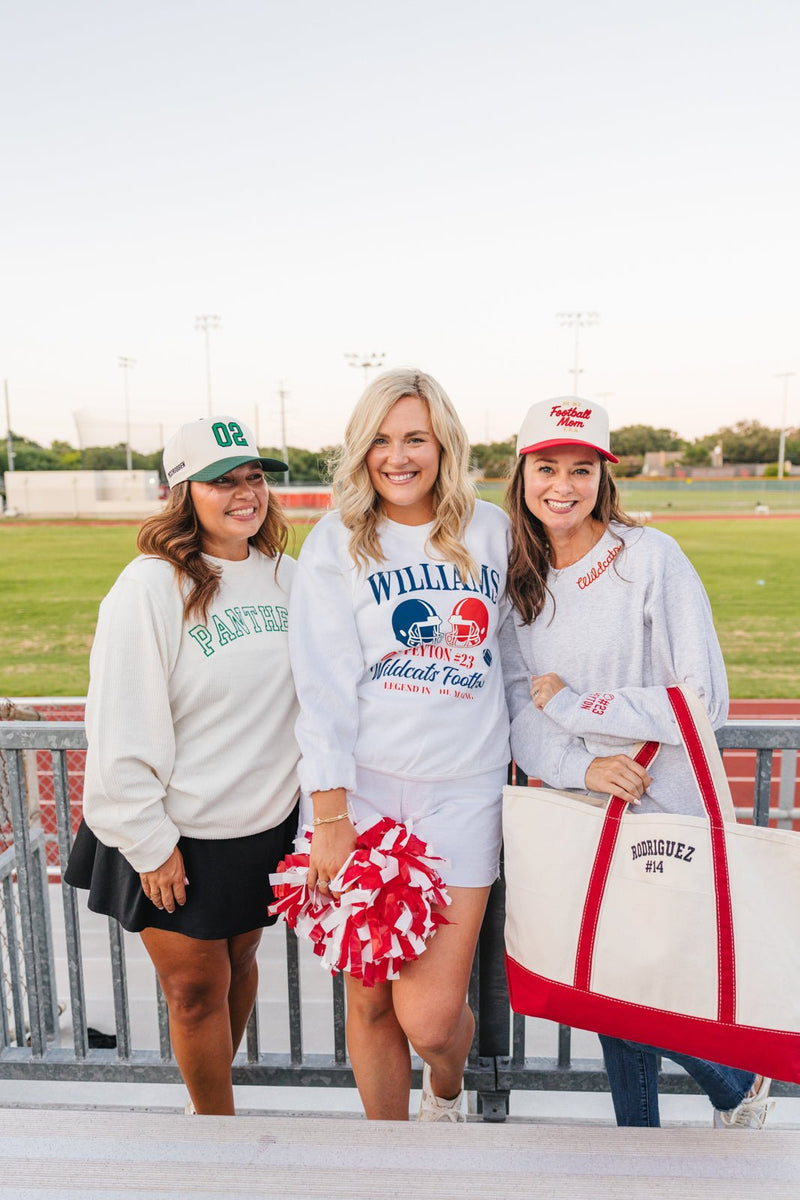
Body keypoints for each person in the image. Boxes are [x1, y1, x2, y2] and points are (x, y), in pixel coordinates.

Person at [500, 396, 773, 1129]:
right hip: (585, 805)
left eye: (581, 468)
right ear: (523, 472)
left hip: (667, 802)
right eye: (548, 467)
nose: (564, 484)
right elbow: (518, 706)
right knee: (605, 985)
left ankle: (729, 1085)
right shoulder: (516, 579)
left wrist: (585, 709)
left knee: (634, 984)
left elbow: (703, 698)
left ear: (602, 476)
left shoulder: (649, 557)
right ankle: (705, 1104)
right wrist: (579, 766)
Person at [289, 368, 510, 1121]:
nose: (398, 456)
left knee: (432, 1019)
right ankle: (389, 1163)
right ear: (361, 451)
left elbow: (520, 647)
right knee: (369, 998)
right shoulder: (337, 544)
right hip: (365, 793)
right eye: (380, 440)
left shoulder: (490, 530)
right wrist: (328, 817)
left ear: (443, 443)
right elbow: (320, 690)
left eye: (415, 437)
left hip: (463, 791)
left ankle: (445, 1091)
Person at [65, 415, 300, 1115]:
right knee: (195, 993)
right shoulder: (150, 586)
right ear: (182, 493)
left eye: (253, 477)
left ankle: (212, 1105)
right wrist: (149, 842)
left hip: (257, 824)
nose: (244, 493)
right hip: (171, 830)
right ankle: (217, 1140)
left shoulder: (286, 575)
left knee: (240, 969)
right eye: (221, 481)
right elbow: (121, 720)